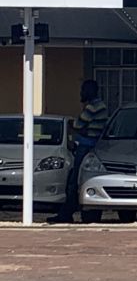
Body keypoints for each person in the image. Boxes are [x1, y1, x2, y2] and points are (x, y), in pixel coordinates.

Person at [48, 80, 108, 223]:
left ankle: (66, 214)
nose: (81, 93)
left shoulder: (92, 108)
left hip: (86, 146)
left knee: (74, 182)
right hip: (92, 144)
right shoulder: (101, 106)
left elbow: (77, 125)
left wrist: (76, 127)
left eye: (83, 90)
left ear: (89, 91)